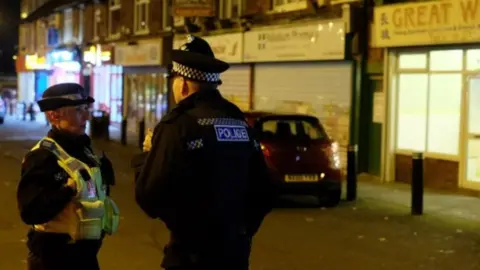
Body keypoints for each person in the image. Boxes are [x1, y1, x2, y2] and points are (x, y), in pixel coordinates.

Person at [132, 35, 277, 270]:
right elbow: (265, 190)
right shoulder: (237, 119)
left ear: (184, 84)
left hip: (190, 256)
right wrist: (241, 231)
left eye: (174, 80)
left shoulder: (178, 124)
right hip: (234, 254)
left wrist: (147, 157)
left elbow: (149, 195)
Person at [17, 83, 120, 270]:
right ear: (54, 115)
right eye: (78, 110)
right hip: (53, 260)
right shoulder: (42, 157)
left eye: (86, 109)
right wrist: (67, 191)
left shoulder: (85, 150)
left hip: (85, 257)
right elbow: (30, 211)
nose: (86, 116)